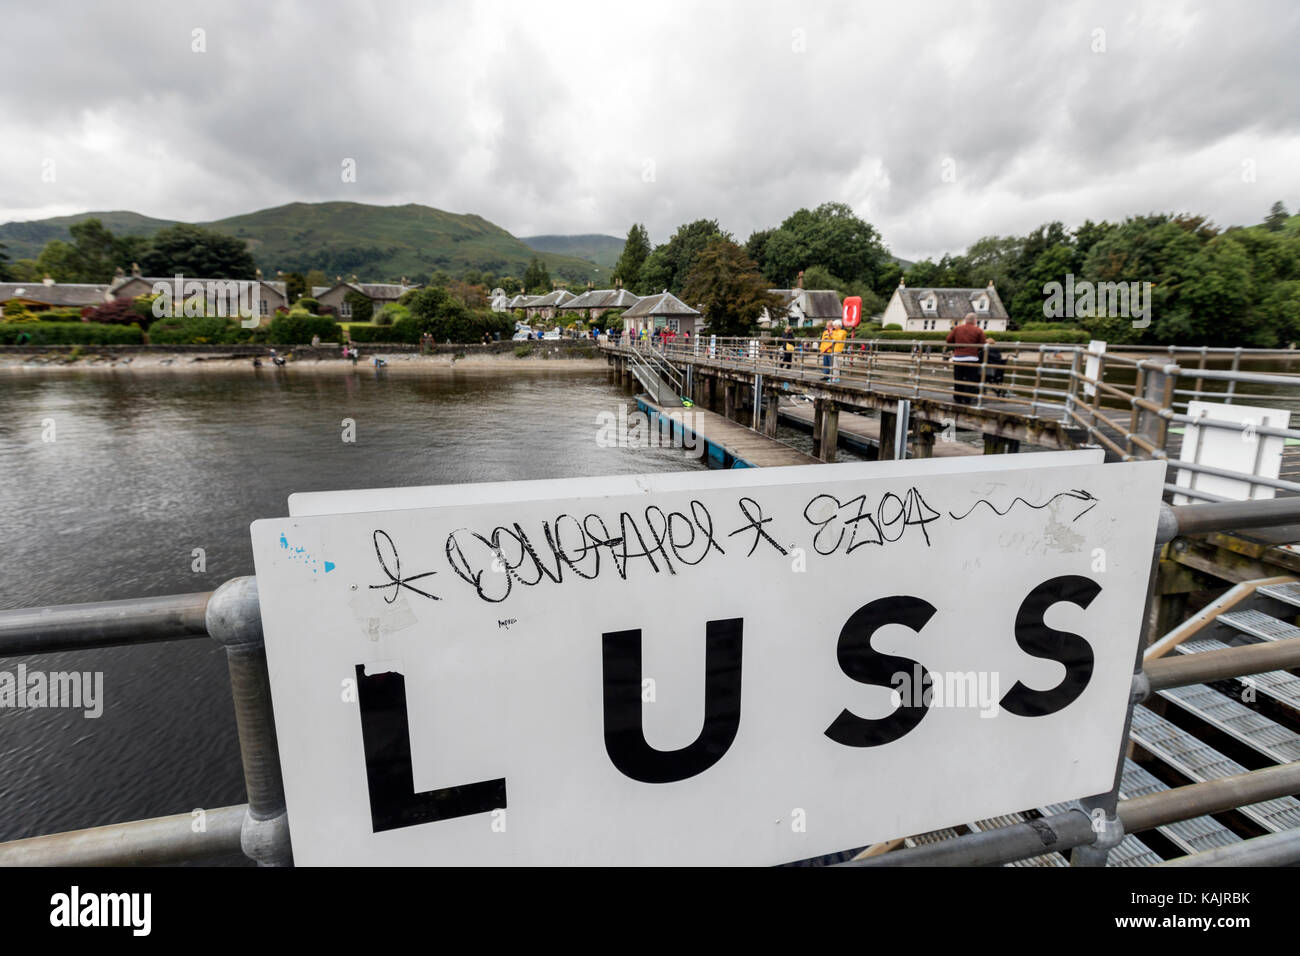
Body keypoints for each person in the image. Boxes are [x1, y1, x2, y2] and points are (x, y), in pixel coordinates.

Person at [945, 313, 987, 406]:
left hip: (958, 357)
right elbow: (983, 344)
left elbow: (948, 340)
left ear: (965, 320)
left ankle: (957, 397)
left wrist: (956, 345)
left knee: (958, 378)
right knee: (970, 379)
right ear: (975, 321)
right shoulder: (978, 330)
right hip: (972, 357)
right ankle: (967, 398)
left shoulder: (957, 329)